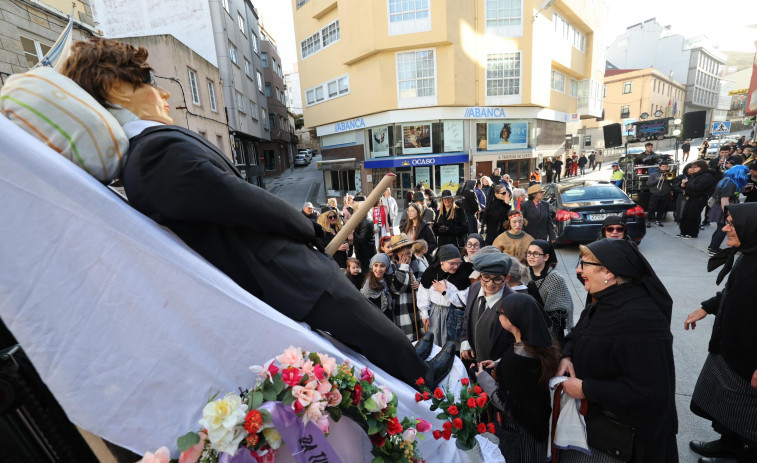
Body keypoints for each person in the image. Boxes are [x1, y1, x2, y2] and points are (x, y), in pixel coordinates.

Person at [63, 37, 454, 388]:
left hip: (275, 267)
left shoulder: (146, 155)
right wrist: (307, 228)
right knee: (353, 319)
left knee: (360, 325)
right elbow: (239, 198)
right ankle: (421, 376)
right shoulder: (153, 154)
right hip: (279, 266)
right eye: (148, 81)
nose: (164, 93)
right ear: (116, 88)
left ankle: (408, 359)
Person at [558, 239, 678, 463]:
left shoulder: (639, 319)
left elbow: (649, 391)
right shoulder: (605, 301)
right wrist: (567, 355)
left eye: (584, 264)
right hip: (597, 427)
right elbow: (579, 332)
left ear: (609, 272)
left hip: (626, 439)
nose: (577, 270)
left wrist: (585, 388)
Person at [685, 203, 757, 463]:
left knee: (749, 416)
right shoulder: (748, 254)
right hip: (730, 348)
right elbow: (733, 293)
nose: (725, 228)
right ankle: (730, 445)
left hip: (751, 360)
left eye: (731, 224)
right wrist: (707, 307)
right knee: (724, 403)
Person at [475, 294, 558, 463]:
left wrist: (483, 378)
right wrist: (499, 365)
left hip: (520, 432)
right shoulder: (540, 344)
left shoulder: (519, 360)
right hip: (538, 424)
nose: (498, 315)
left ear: (511, 320)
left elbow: (507, 403)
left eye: (500, 312)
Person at [460, 252, 515, 365]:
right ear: (480, 275)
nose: (490, 283)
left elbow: (519, 342)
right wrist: (465, 340)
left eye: (497, 279)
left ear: (507, 278)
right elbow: (467, 316)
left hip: (498, 367)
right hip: (474, 363)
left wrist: (499, 363)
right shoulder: (474, 288)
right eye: (486, 277)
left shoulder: (514, 302)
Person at [418, 245, 473, 347]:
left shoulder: (462, 276)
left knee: (452, 343)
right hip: (435, 313)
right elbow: (423, 293)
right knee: (435, 341)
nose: (456, 266)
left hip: (454, 314)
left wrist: (445, 292)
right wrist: (424, 312)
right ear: (442, 261)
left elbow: (463, 301)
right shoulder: (431, 273)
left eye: (458, 263)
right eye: (452, 263)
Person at [525, 240, 573, 346]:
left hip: (551, 328)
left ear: (546, 257)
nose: (531, 256)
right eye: (529, 253)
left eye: (536, 253)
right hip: (527, 326)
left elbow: (559, 313)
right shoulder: (524, 274)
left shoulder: (556, 278)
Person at [387, 234, 424, 342]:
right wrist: (402, 268)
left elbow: (426, 277)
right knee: (407, 336)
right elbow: (397, 290)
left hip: (418, 304)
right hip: (402, 307)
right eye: (402, 255)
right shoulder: (391, 265)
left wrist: (419, 282)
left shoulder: (418, 261)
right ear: (396, 254)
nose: (406, 257)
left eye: (408, 253)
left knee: (421, 334)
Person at [706, 165, 750, 255]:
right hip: (724, 208)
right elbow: (724, 200)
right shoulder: (731, 184)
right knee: (723, 230)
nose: (747, 175)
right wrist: (727, 214)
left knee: (720, 228)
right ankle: (713, 250)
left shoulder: (726, 180)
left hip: (719, 207)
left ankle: (712, 246)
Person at [678, 160, 717, 239]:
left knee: (693, 216)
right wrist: (684, 186)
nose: (693, 169)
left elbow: (697, 187)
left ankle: (692, 233)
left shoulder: (707, 176)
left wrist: (687, 183)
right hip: (691, 197)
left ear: (701, 167)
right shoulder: (696, 175)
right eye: (693, 167)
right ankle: (684, 232)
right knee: (685, 215)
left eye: (696, 167)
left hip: (699, 198)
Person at [361, 253, 393, 317]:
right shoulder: (368, 284)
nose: (378, 269)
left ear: (386, 268)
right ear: (372, 266)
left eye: (382, 266)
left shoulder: (388, 280)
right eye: (376, 265)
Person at [352, 197, 377, 274]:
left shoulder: (365, 220)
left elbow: (362, 238)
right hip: (364, 251)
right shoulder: (363, 217)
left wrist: (353, 233)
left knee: (366, 272)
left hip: (365, 252)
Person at [647, 160, 674, 227]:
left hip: (665, 194)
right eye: (663, 166)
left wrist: (669, 180)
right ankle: (649, 221)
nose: (664, 168)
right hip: (655, 194)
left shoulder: (670, 174)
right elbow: (648, 183)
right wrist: (658, 180)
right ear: (659, 167)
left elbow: (672, 184)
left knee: (662, 208)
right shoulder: (654, 174)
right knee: (651, 208)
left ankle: (658, 220)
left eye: (666, 166)